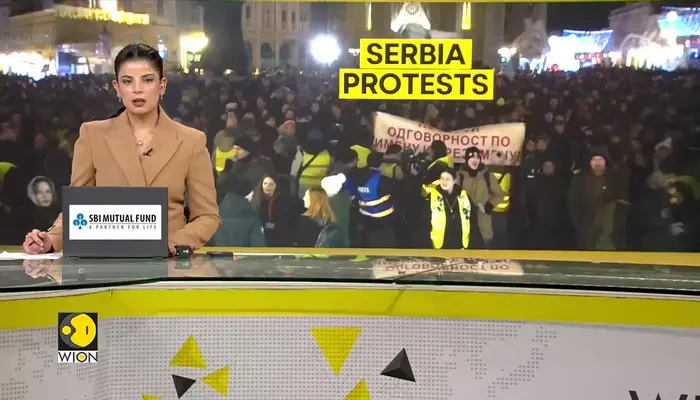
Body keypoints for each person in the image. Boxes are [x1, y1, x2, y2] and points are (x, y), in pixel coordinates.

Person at [22, 43, 221, 255]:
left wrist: (176, 242)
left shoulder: (191, 141)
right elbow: (78, 209)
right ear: (117, 88)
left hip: (168, 264)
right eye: (128, 81)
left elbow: (207, 216)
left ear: (162, 85)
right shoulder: (92, 135)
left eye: (147, 80)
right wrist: (50, 239)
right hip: (107, 261)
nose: (137, 89)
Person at [423, 169, 471, 249]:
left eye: (447, 179)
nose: (444, 181)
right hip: (440, 243)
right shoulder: (433, 195)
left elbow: (470, 218)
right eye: (442, 178)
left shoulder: (463, 195)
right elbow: (425, 219)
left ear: (454, 181)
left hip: (460, 242)